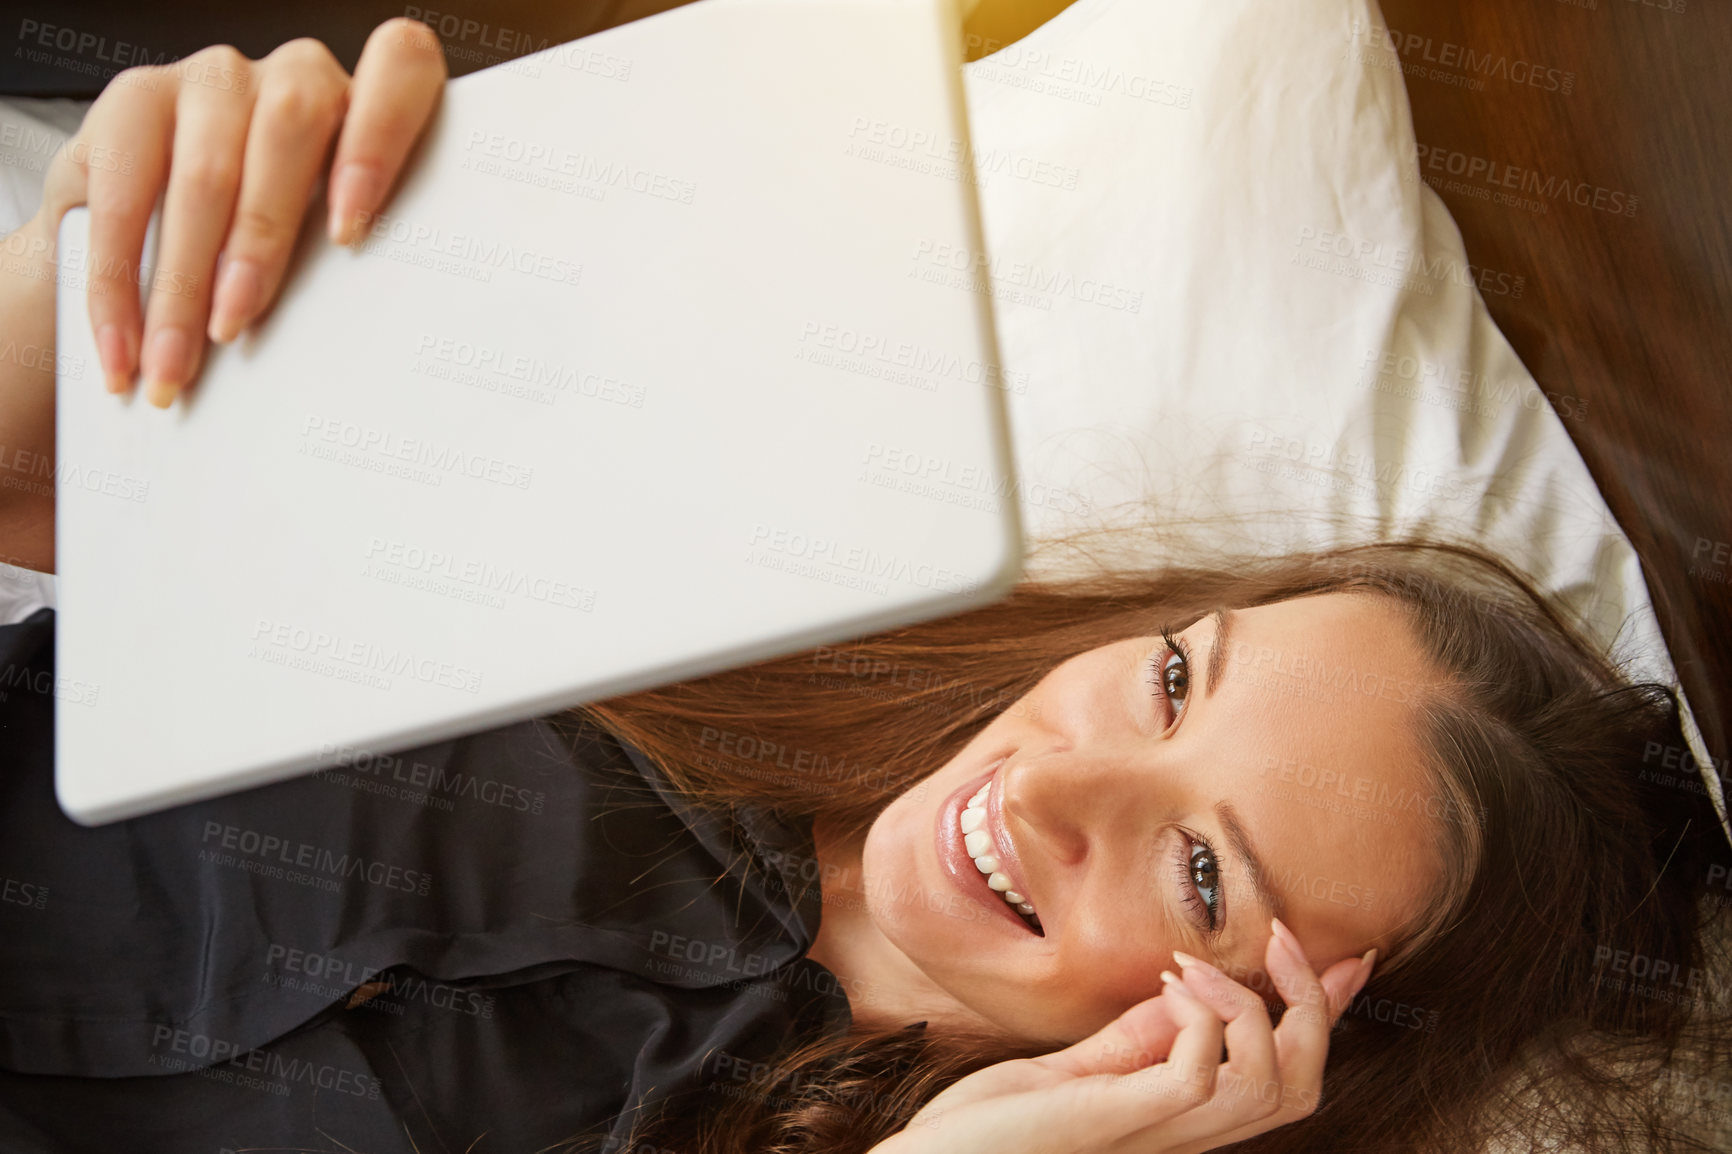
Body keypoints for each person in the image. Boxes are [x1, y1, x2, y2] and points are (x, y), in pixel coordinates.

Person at [0, 20, 1725, 1154]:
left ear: (1288, 1046)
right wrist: (94, 304)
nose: (1053, 783)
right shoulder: (664, 569)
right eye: (1172, 681)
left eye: (1204, 873)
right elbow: (53, 485)